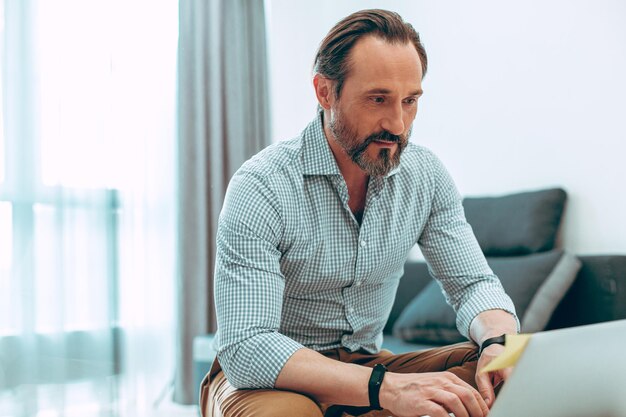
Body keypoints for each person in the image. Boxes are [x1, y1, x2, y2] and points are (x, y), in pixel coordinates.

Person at [201, 8, 519, 417]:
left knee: (506, 372)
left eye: (410, 101)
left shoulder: (426, 175)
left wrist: (497, 341)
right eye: (378, 99)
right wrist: (384, 390)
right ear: (324, 92)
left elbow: (473, 285)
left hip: (368, 366)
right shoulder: (262, 185)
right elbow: (246, 345)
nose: (398, 124)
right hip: (271, 378)